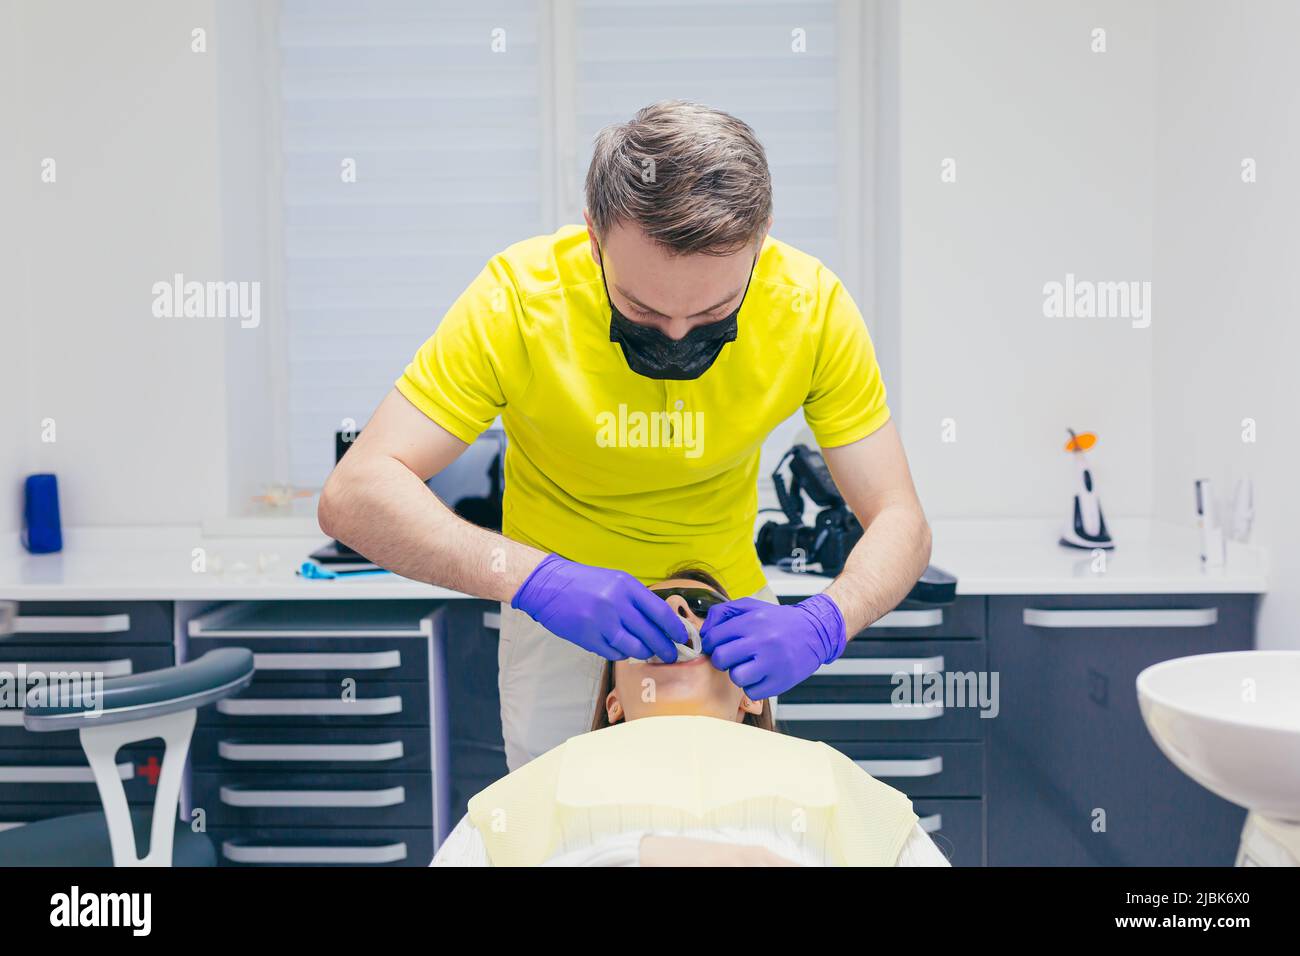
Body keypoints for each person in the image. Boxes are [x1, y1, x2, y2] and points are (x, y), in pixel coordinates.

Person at [319, 100, 932, 772]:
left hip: (728, 625)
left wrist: (826, 621)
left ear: (761, 242)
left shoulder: (812, 310)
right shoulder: (518, 302)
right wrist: (539, 582)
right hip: (553, 621)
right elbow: (355, 494)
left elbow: (900, 518)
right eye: (641, 310)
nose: (675, 337)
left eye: (712, 313)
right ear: (593, 236)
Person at [431, 571, 950, 867]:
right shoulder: (528, 794)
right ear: (614, 705)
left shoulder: (833, 777)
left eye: (702, 607)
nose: (677, 607)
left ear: (750, 696)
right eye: (650, 609)